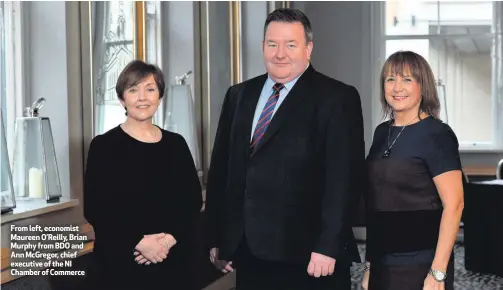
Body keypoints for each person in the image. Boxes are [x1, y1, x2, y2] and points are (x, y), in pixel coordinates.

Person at [204, 8, 365, 290]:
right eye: (272, 44)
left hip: (310, 256)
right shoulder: (239, 95)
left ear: (308, 48)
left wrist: (328, 245)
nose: (280, 53)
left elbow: (344, 181)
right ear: (263, 46)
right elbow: (221, 171)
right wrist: (218, 238)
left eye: (291, 45)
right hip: (248, 251)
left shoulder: (337, 98)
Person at [83, 60, 202, 290]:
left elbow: (192, 202)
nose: (142, 97)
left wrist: (166, 242)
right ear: (122, 99)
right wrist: (139, 243)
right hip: (121, 266)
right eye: (133, 90)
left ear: (159, 96)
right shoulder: (103, 146)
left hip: (174, 262)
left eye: (150, 89)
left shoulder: (176, 144)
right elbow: (96, 209)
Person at [361, 51, 464, 290]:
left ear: (422, 85)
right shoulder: (381, 133)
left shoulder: (437, 135)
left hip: (422, 262)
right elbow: (377, 206)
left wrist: (438, 272)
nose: (397, 87)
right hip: (382, 261)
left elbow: (455, 204)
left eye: (407, 79)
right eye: (390, 79)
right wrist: (369, 265)